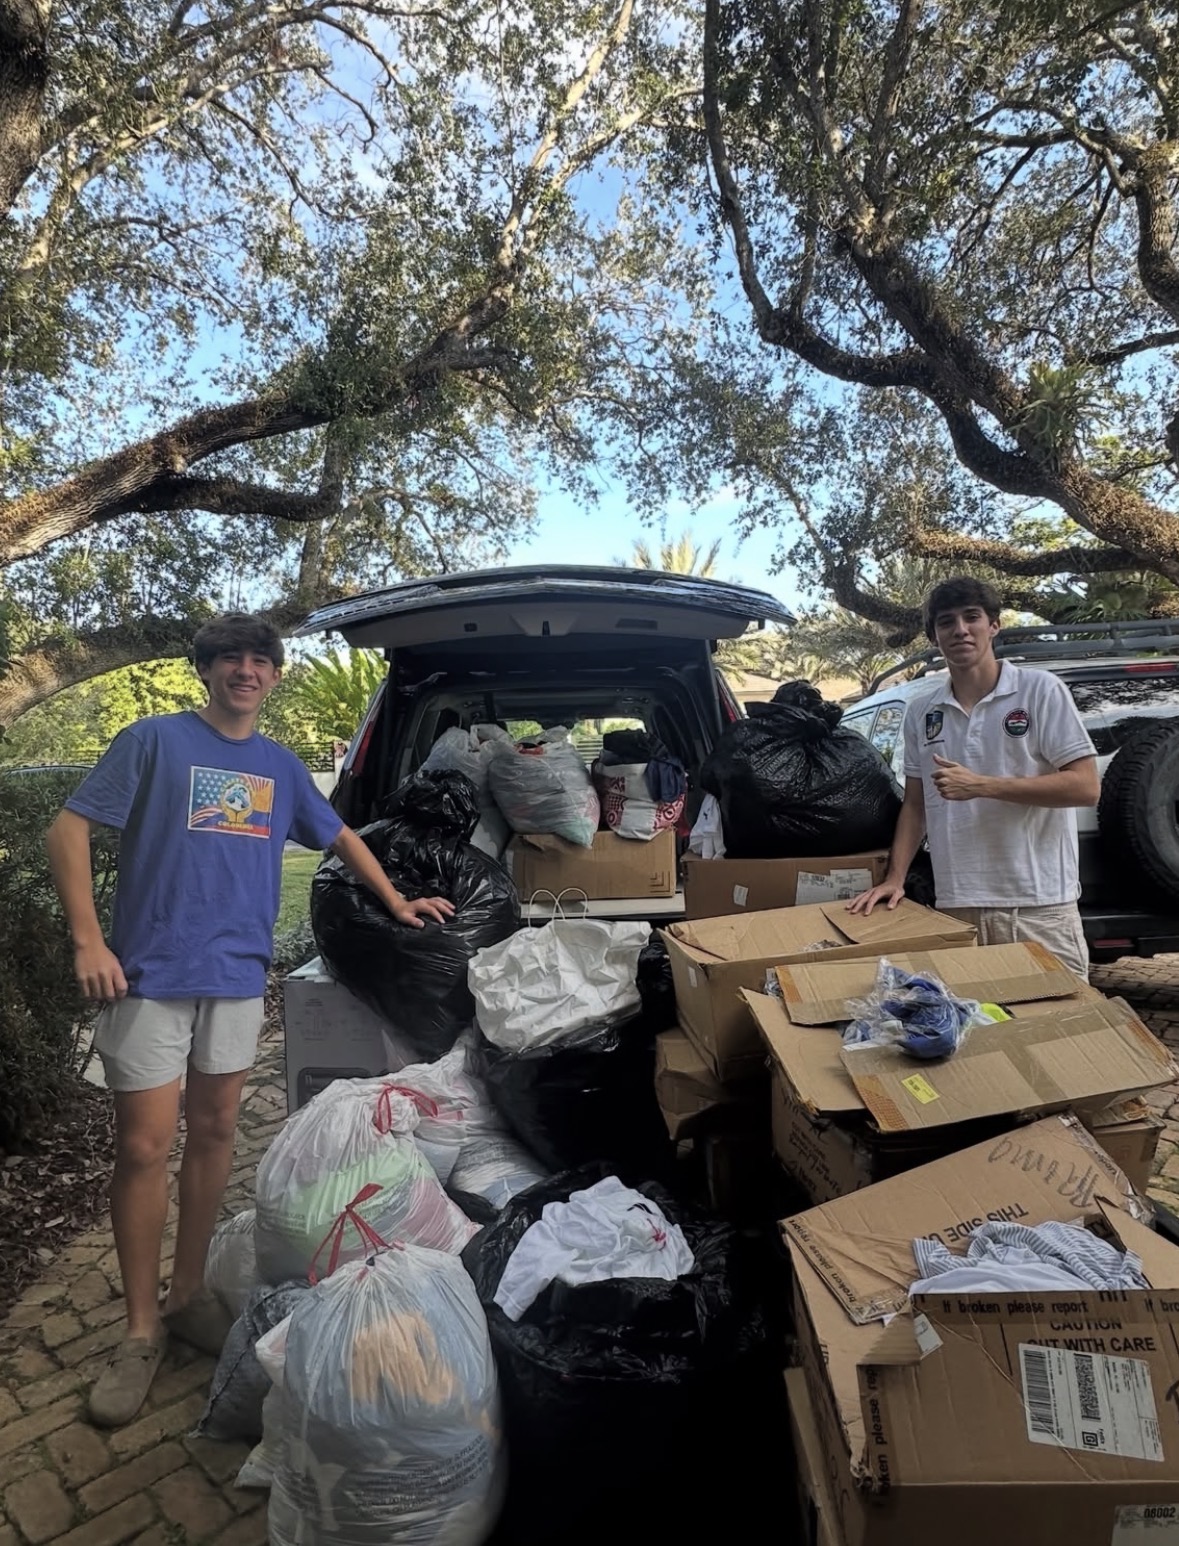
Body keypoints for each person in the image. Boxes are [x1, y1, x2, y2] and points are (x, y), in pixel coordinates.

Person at [46, 614, 455, 1428]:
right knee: (142, 1146)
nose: (245, 669)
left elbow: (337, 834)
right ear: (206, 670)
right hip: (149, 978)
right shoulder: (155, 741)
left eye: (259, 659)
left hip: (235, 978)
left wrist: (396, 898)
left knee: (219, 1130)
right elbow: (68, 827)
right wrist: (88, 940)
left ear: (274, 675)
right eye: (230, 657)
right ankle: (136, 1331)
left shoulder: (277, 765)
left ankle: (189, 1293)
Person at [849, 576, 1099, 979]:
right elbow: (916, 805)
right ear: (934, 636)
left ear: (993, 625)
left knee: (1059, 1024)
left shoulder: (1039, 691)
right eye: (946, 621)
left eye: (972, 617)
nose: (960, 629)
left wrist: (982, 785)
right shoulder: (922, 712)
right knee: (974, 1034)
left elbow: (1085, 786)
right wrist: (895, 878)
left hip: (1037, 905)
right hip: (957, 905)